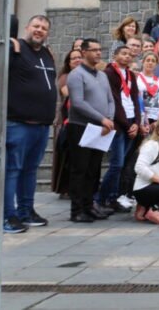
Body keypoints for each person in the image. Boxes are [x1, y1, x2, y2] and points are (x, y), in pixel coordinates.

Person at [0, 16, 59, 232]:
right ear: (27, 28)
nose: (39, 30)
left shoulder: (47, 53)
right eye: (36, 26)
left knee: (30, 170)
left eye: (44, 28)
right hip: (17, 123)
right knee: (12, 170)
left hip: (41, 125)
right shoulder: (13, 47)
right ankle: (7, 216)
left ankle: (25, 211)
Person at [66, 38, 116, 222]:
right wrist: (101, 118)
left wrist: (109, 119)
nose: (98, 53)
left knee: (93, 169)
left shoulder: (102, 75)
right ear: (84, 52)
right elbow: (78, 103)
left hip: (101, 129)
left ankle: (89, 205)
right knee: (80, 169)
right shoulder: (76, 74)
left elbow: (111, 99)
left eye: (99, 49)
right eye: (93, 50)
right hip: (81, 127)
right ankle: (77, 209)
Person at [100, 45, 144, 213]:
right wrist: (127, 124)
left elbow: (135, 99)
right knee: (116, 164)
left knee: (122, 162)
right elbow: (114, 101)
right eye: (123, 54)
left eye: (129, 54)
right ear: (115, 55)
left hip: (131, 121)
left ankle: (113, 197)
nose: (127, 56)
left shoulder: (131, 74)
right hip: (119, 124)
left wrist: (137, 123)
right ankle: (103, 197)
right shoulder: (110, 73)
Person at [51, 48, 82, 198]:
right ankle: (65, 188)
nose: (77, 60)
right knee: (66, 157)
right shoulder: (65, 77)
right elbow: (70, 94)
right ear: (68, 63)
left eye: (79, 57)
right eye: (73, 58)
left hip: (82, 121)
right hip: (68, 120)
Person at [137, 52, 159, 123]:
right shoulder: (136, 78)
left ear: (156, 64)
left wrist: (158, 122)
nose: (150, 63)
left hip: (156, 118)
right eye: (148, 60)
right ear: (143, 62)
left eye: (153, 61)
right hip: (140, 117)